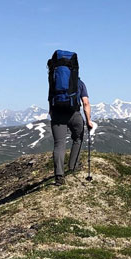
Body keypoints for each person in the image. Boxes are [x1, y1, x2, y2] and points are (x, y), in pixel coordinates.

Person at [48, 52, 96, 185]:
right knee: (78, 137)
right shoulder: (80, 84)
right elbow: (85, 103)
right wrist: (88, 120)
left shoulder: (54, 80)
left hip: (57, 113)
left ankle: (59, 176)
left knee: (59, 144)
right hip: (73, 114)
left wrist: (52, 112)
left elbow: (50, 97)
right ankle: (73, 166)